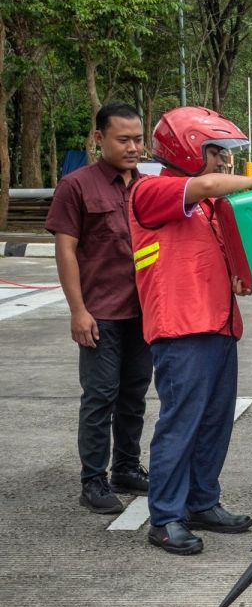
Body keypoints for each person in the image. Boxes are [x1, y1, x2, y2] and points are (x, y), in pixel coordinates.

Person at [129, 106, 252, 555]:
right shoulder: (151, 191)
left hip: (217, 325)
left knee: (214, 423)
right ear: (189, 150)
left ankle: (201, 502)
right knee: (181, 424)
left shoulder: (208, 207)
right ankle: (166, 518)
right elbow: (210, 185)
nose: (225, 163)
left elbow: (212, 255)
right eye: (217, 152)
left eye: (228, 155)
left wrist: (241, 278)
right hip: (181, 328)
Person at [45, 102, 153, 515]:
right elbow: (66, 250)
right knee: (100, 397)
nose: (132, 147)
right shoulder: (77, 186)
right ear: (99, 139)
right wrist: (78, 311)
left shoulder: (145, 186)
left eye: (138, 139)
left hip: (142, 311)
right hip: (100, 313)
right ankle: (93, 479)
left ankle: (127, 468)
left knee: (134, 395)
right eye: (123, 139)